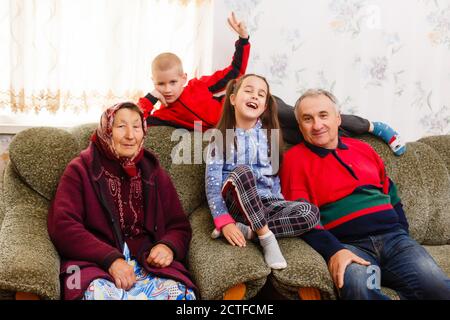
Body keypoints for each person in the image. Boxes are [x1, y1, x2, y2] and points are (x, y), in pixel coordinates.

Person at [138, 12, 406, 156]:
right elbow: (139, 120)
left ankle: (373, 126)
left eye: (173, 81)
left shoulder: (198, 86)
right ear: (154, 83)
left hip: (263, 107)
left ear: (183, 78)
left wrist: (243, 40)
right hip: (253, 129)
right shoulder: (165, 114)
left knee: (309, 118)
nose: (169, 89)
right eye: (161, 84)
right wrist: (150, 98)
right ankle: (360, 147)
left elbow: (234, 71)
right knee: (307, 137)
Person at [280, 89, 450, 299]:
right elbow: (300, 218)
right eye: (308, 119)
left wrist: (402, 233)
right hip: (350, 247)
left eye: (323, 115)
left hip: (395, 240)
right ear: (300, 126)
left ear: (338, 118)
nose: (317, 125)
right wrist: (334, 250)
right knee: (360, 288)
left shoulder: (364, 149)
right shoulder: (294, 160)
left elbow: (392, 196)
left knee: (438, 288)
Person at [48, 102, 197, 300]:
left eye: (136, 127)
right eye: (121, 126)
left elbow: (179, 226)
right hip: (93, 265)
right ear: (106, 130)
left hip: (147, 264)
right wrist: (110, 259)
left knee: (182, 294)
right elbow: (63, 227)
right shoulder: (80, 170)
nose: (130, 135)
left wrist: (168, 246)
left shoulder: (153, 171)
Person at [205, 74, 321, 270]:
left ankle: (251, 232)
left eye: (261, 94)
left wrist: (281, 203)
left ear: (265, 106)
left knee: (310, 212)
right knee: (243, 171)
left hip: (265, 203)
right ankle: (267, 238)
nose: (255, 96)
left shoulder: (270, 137)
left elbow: (273, 179)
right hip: (236, 203)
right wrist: (224, 222)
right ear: (233, 99)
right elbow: (212, 186)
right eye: (248, 91)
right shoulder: (220, 138)